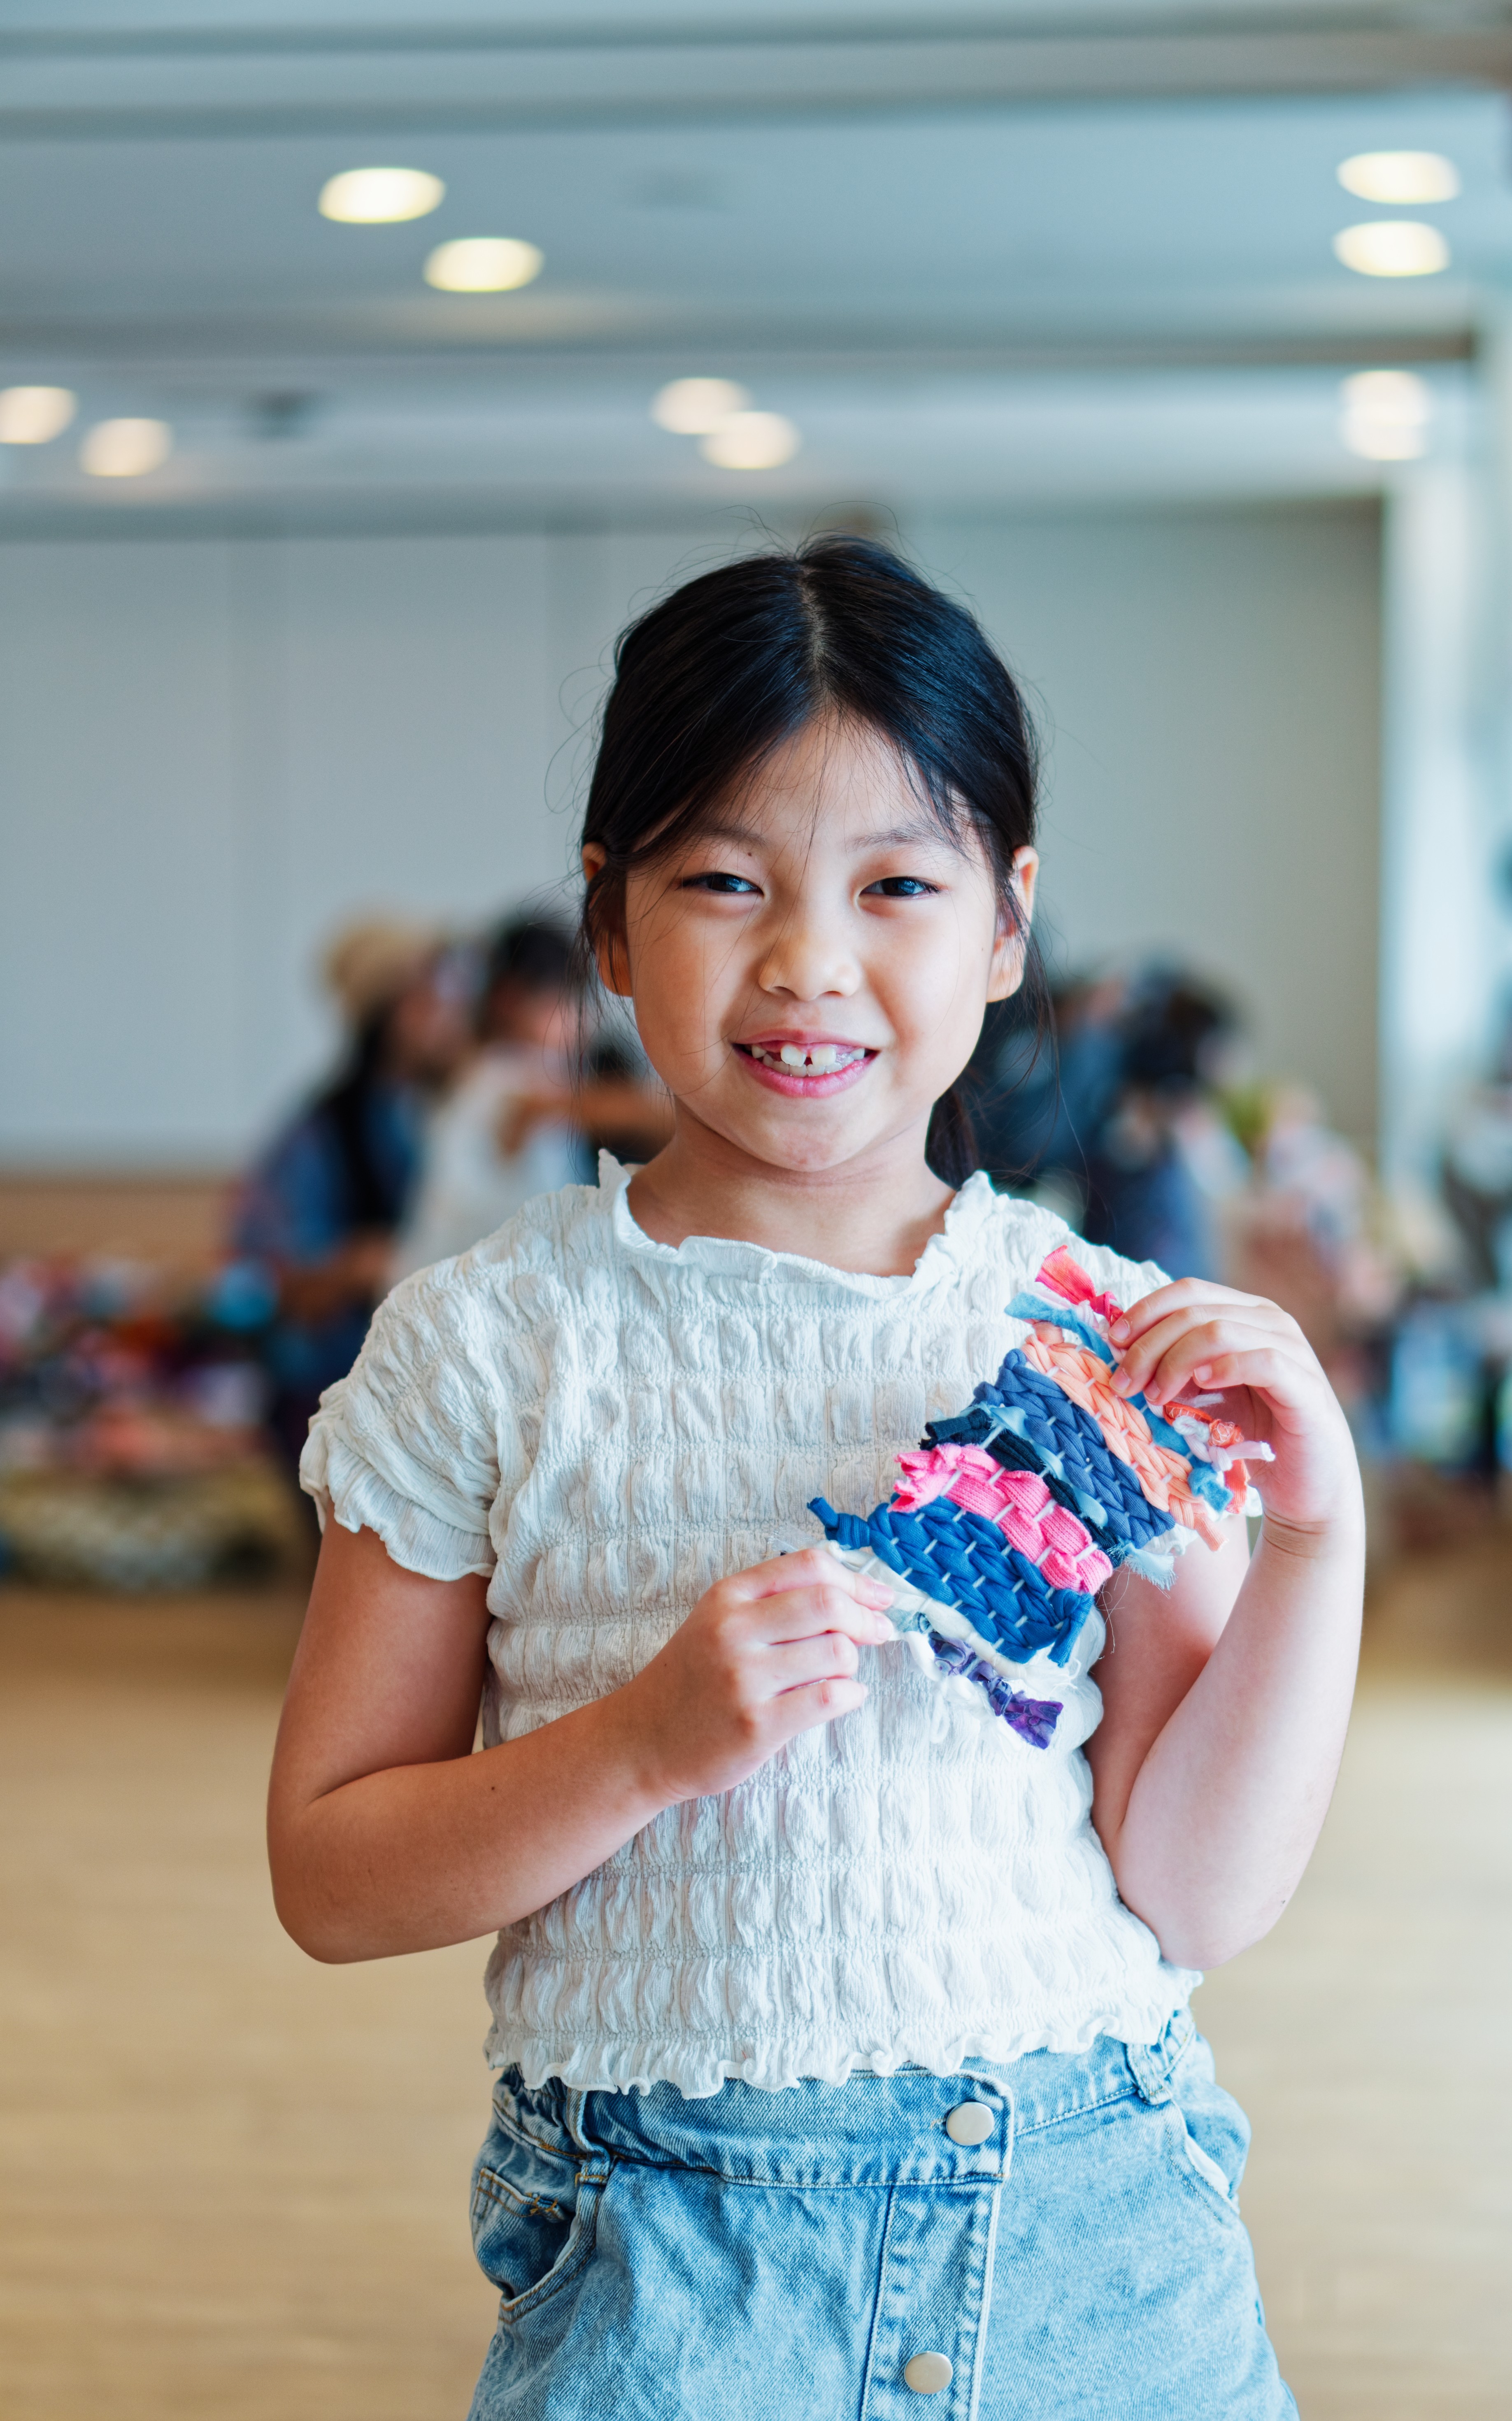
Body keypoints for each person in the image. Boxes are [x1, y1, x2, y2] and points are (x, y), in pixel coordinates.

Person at [268, 540, 1363, 2418]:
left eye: (896, 885)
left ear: (1006, 924)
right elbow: (332, 1870)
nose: (807, 962)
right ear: (608, 925)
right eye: (721, 881)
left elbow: (1192, 1890)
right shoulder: (485, 1346)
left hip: (1089, 2231)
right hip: (668, 2273)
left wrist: (1315, 1540)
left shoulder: (1091, 1329)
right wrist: (637, 1747)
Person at [232, 919, 472, 1477]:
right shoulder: (318, 1136)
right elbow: (248, 1287)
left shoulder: (456, 1113)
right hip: (337, 1402)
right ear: (385, 1013)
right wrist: (357, 1265)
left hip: (436, 1397)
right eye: (431, 998)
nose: (451, 1014)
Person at [393, 913, 675, 1281]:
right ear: (510, 1000)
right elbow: (613, 1110)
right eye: (565, 1000)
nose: (583, 1018)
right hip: (452, 1291)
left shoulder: (493, 1073)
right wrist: (703, 1118)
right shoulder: (504, 1076)